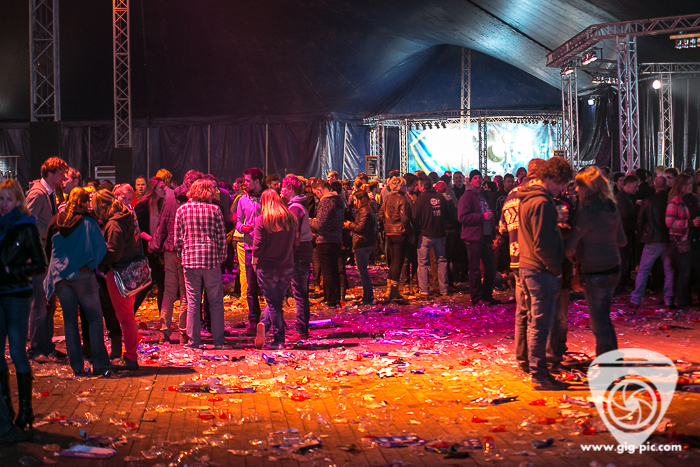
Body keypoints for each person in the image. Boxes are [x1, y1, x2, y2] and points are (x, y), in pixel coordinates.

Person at [44, 188, 114, 376]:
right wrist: (92, 265)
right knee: (94, 318)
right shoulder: (89, 221)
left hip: (61, 278)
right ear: (85, 202)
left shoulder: (56, 221)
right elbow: (101, 248)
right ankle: (100, 363)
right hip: (83, 275)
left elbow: (48, 249)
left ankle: (77, 366)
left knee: (69, 321)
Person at [518, 156, 573, 391]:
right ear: (550, 178)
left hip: (529, 265)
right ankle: (539, 375)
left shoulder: (528, 198)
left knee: (535, 322)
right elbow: (542, 244)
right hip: (540, 269)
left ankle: (538, 371)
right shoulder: (542, 203)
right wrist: (555, 269)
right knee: (540, 324)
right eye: (561, 183)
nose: (563, 188)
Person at [0, 179, 48, 431]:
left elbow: (40, 264)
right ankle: (6, 408)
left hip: (17, 295)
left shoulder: (26, 226)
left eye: (9, 199)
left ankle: (26, 410)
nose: (4, 204)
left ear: (18, 200)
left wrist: (14, 269)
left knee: (18, 350)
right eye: (1, 199)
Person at [565, 167, 627, 357]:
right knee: (603, 318)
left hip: (594, 271)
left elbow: (571, 244)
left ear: (587, 188)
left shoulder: (587, 211)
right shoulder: (611, 207)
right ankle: (609, 360)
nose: (576, 190)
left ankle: (609, 363)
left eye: (579, 186)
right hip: (613, 267)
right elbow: (622, 240)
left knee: (599, 322)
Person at [498, 159, 544, 374]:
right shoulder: (535, 195)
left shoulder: (511, 195)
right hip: (533, 258)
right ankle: (536, 362)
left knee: (522, 311)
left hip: (515, 256)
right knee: (537, 312)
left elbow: (502, 227)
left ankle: (522, 359)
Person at [174, 179, 227, 349]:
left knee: (193, 301)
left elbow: (178, 238)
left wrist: (182, 254)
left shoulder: (182, 210)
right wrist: (221, 257)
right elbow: (221, 237)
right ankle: (218, 341)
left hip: (190, 260)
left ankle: (193, 341)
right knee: (216, 302)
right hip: (211, 259)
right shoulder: (214, 210)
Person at [92, 190, 141, 370]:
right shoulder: (127, 217)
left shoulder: (114, 224)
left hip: (119, 273)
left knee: (126, 317)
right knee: (128, 316)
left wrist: (99, 263)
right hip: (130, 271)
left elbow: (113, 252)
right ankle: (130, 355)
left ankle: (130, 357)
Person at [151, 170, 202, 344]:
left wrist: (156, 246)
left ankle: (164, 331)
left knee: (169, 292)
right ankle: (183, 333)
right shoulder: (194, 201)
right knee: (186, 293)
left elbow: (161, 225)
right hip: (187, 251)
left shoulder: (170, 200)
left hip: (169, 250)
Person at [26, 156, 68, 362]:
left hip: (47, 253)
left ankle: (46, 345)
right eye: (61, 173)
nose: (63, 178)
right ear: (49, 173)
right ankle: (36, 348)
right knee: (40, 303)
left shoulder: (50, 193)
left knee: (49, 302)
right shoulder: (37, 193)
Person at [252, 190, 298, 349]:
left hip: (267, 266)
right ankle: (264, 325)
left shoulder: (263, 220)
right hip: (286, 265)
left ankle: (279, 339)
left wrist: (254, 259)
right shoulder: (290, 218)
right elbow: (295, 241)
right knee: (275, 300)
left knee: (273, 303)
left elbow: (258, 244)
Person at [629, 176, 673, 309]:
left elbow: (640, 220)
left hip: (652, 239)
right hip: (668, 239)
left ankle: (636, 299)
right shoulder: (670, 200)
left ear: (655, 185)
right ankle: (668, 299)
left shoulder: (648, 200)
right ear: (666, 185)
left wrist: (641, 237)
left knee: (644, 270)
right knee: (669, 271)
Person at [458, 170, 499, 306]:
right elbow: (462, 217)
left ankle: (487, 295)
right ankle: (476, 298)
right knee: (475, 269)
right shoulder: (467, 197)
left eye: (479, 177)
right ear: (470, 181)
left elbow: (491, 213)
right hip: (473, 236)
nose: (478, 180)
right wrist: (482, 217)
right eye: (475, 178)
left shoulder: (484, 195)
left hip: (486, 235)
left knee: (491, 266)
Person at [281, 175, 313, 339]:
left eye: (283, 187)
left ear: (290, 188)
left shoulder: (295, 208)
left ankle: (301, 329)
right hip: (303, 252)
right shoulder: (299, 205)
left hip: (299, 254)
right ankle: (302, 328)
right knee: (301, 292)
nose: (281, 190)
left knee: (299, 293)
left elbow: (295, 234)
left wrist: (289, 253)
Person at [133, 177, 167, 314]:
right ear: (153, 189)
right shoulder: (143, 205)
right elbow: (136, 227)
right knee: (151, 284)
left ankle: (163, 318)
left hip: (156, 250)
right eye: (161, 187)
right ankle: (128, 316)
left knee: (156, 283)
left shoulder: (161, 204)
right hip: (146, 249)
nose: (164, 189)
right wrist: (150, 239)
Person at [310, 179, 345, 307]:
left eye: (316, 193)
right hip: (337, 239)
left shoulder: (325, 201)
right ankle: (335, 299)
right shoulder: (340, 199)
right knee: (335, 270)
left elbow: (320, 225)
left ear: (319, 190)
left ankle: (330, 300)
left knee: (327, 272)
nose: (317, 196)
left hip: (325, 240)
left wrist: (309, 220)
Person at [414, 176, 449, 297]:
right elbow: (447, 215)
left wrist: (418, 230)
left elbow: (415, 218)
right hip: (440, 233)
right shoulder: (441, 198)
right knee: (442, 262)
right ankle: (444, 289)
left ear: (422, 187)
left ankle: (424, 290)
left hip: (425, 234)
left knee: (423, 263)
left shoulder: (420, 199)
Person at [666, 174, 696, 312]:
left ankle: (687, 301)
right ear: (681, 185)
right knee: (684, 271)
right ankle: (683, 303)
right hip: (680, 239)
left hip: (692, 239)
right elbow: (669, 222)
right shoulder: (675, 201)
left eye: (691, 183)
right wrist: (690, 223)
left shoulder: (694, 198)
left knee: (691, 271)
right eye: (687, 184)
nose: (690, 186)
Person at [378, 176, 411, 300]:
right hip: (399, 233)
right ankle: (394, 290)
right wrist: (408, 231)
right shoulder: (403, 199)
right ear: (400, 187)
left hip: (389, 232)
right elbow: (405, 219)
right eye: (405, 185)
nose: (406, 188)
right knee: (398, 262)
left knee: (393, 262)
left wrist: (387, 224)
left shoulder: (388, 198)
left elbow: (380, 214)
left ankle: (389, 289)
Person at [344, 190, 378, 305]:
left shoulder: (364, 210)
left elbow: (360, 228)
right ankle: (367, 295)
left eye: (355, 200)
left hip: (362, 242)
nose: (354, 202)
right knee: (363, 270)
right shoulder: (369, 208)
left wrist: (349, 225)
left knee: (363, 271)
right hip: (367, 242)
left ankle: (367, 296)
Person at [614, 175, 639, 295]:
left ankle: (620, 286)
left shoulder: (625, 197)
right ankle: (619, 287)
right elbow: (626, 214)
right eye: (635, 186)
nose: (637, 189)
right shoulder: (622, 198)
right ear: (628, 185)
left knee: (624, 260)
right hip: (623, 233)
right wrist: (637, 206)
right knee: (622, 261)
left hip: (624, 232)